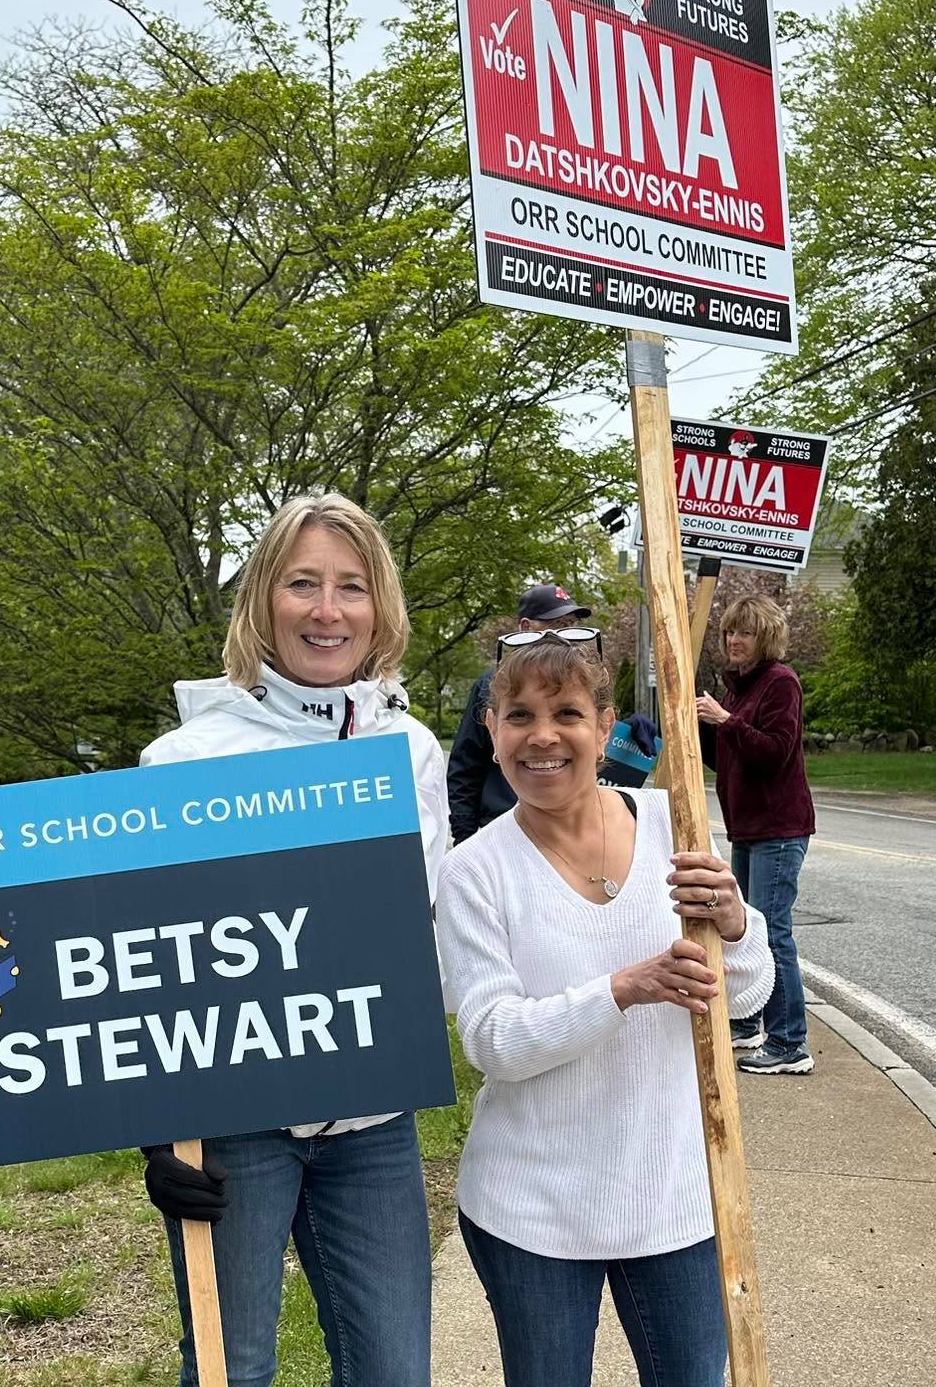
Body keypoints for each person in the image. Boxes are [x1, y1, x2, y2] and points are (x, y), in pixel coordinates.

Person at [138, 492, 450, 1387]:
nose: (328, 610)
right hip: (236, 1125)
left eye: (351, 586)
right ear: (262, 600)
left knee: (394, 1372)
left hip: (373, 1124)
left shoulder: (413, 751)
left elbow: (435, 921)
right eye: (303, 582)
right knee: (232, 1371)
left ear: (379, 605)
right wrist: (155, 1128)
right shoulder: (186, 759)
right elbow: (147, 961)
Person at [438, 634, 774, 1387]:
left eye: (566, 713)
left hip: (675, 1196)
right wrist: (622, 989)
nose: (543, 735)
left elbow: (748, 996)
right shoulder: (474, 872)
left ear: (604, 725)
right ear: (492, 730)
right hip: (534, 1211)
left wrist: (734, 924)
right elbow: (492, 1040)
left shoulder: (675, 827)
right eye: (519, 715)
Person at [696, 594, 816, 1075]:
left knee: (773, 933)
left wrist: (727, 721)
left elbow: (774, 752)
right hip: (746, 828)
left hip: (778, 828)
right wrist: (702, 728)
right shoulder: (738, 689)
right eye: (729, 631)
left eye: (744, 632)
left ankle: (789, 1043)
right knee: (744, 926)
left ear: (764, 637)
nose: (733, 640)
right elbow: (727, 757)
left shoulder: (780, 683)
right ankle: (748, 1022)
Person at [447, 583, 593, 843]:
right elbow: (465, 767)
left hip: (569, 835)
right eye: (557, 624)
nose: (566, 635)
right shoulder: (491, 686)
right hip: (502, 831)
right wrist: (464, 838)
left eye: (570, 625)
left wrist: (629, 734)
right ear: (526, 627)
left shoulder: (584, 683)